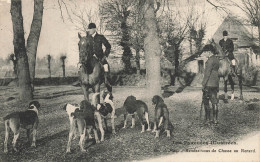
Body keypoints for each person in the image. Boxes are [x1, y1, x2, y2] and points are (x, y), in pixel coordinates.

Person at [202, 44, 220, 124]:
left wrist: (203, 84)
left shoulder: (209, 60)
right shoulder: (216, 59)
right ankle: (215, 119)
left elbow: (207, 73)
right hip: (215, 83)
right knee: (214, 102)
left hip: (208, 84)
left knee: (206, 101)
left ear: (209, 52)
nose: (204, 54)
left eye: (205, 52)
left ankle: (208, 119)